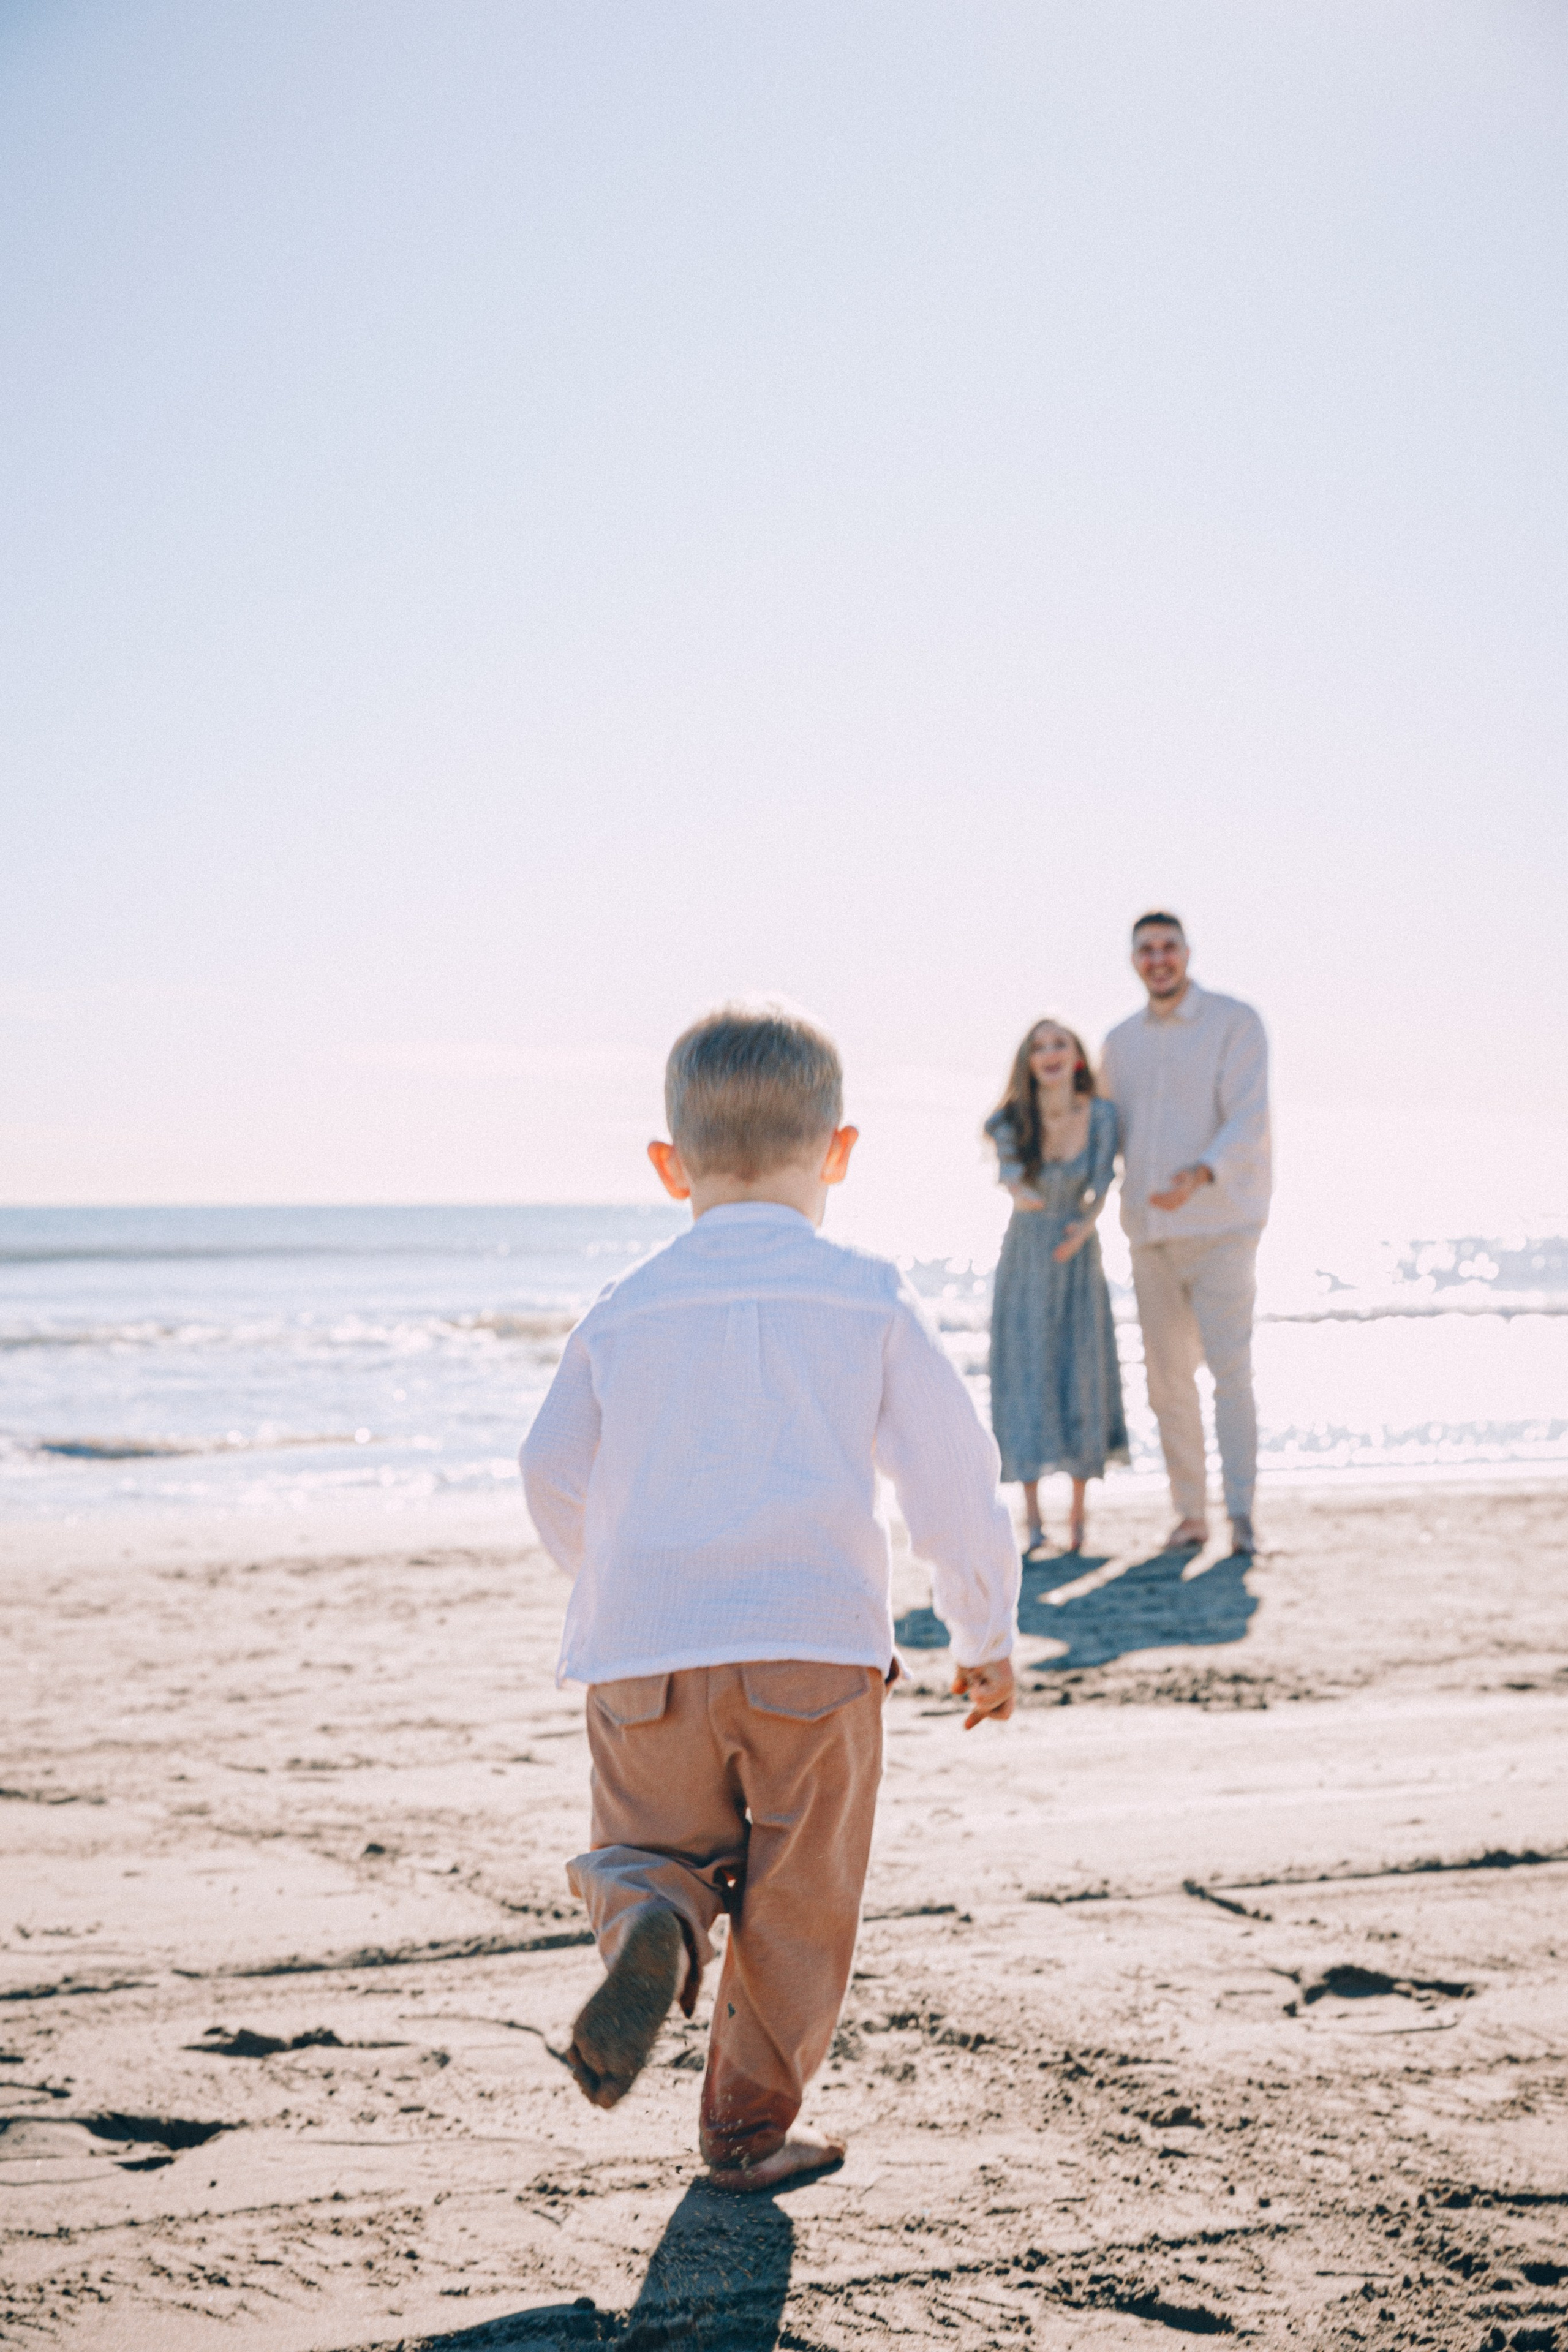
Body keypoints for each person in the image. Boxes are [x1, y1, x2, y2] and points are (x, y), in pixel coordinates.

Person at [519, 1004, 1020, 2194]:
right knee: (799, 1903)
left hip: (643, 1658)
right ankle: (744, 2131)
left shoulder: (623, 1304)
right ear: (836, 1152)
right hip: (813, 1650)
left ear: (667, 1165)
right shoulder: (865, 1297)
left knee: (649, 1844)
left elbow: (547, 1468)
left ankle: (651, 1914)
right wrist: (982, 1633)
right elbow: (953, 1478)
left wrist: (609, 1578)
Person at [1099, 913, 1271, 1558]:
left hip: (1223, 1226)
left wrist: (1199, 1174)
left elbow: (1248, 1120)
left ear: (1187, 953)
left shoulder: (1235, 1022)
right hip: (1148, 1234)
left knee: (1231, 1374)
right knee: (1167, 1383)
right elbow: (1102, 1133)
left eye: (1168, 947)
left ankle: (1241, 1516)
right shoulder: (1118, 1043)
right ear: (1134, 960)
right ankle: (1190, 1515)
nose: (1158, 959)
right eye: (1145, 950)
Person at [983, 1019, 1128, 1555]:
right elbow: (1011, 1176)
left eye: (1059, 1045)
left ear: (1077, 1058)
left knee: (1082, 1370)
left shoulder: (1104, 1116)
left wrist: (1085, 1225)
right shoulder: (1009, 1120)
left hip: (1078, 1253)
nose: (1050, 1054)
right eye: (1039, 1047)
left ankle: (1080, 1522)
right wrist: (1025, 1194)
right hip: (1027, 1256)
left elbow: (1105, 1183)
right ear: (1028, 1061)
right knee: (1027, 1374)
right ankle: (1034, 1523)